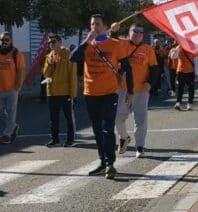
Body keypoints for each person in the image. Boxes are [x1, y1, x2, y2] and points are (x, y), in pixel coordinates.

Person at [70, 14, 133, 180]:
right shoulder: (87, 45)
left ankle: (110, 164)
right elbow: (73, 58)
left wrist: (130, 91)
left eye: (97, 24)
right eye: (92, 24)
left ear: (105, 27)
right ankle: (102, 161)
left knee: (107, 128)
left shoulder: (115, 44)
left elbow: (127, 67)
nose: (94, 27)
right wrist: (86, 41)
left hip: (109, 93)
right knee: (97, 130)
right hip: (91, 93)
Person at [117, 24, 158, 157]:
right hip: (123, 88)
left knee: (140, 119)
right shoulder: (121, 44)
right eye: (135, 31)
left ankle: (139, 147)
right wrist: (113, 31)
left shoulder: (147, 49)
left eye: (141, 32)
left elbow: (154, 68)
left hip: (141, 90)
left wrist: (149, 83)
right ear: (129, 32)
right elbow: (108, 42)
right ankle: (124, 137)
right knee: (118, 117)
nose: (138, 34)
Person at [0, 31, 25, 145]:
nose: (4, 42)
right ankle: (12, 125)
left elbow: (21, 70)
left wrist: (18, 85)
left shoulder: (17, 54)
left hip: (12, 89)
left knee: (11, 111)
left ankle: (7, 134)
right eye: (2, 40)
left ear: (11, 41)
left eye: (6, 40)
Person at [42, 34, 77, 147]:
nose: (51, 44)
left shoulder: (68, 54)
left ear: (60, 42)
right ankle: (55, 139)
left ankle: (70, 139)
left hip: (65, 91)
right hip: (52, 92)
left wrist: (73, 93)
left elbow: (72, 74)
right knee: (53, 118)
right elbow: (46, 74)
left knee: (68, 117)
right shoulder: (49, 56)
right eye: (50, 42)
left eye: (53, 41)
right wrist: (51, 63)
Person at [170, 41, 196, 111]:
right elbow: (173, 57)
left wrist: (197, 73)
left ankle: (189, 104)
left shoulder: (193, 48)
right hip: (181, 71)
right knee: (179, 88)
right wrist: (178, 48)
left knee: (191, 89)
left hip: (190, 72)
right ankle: (178, 103)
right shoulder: (179, 48)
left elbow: (196, 61)